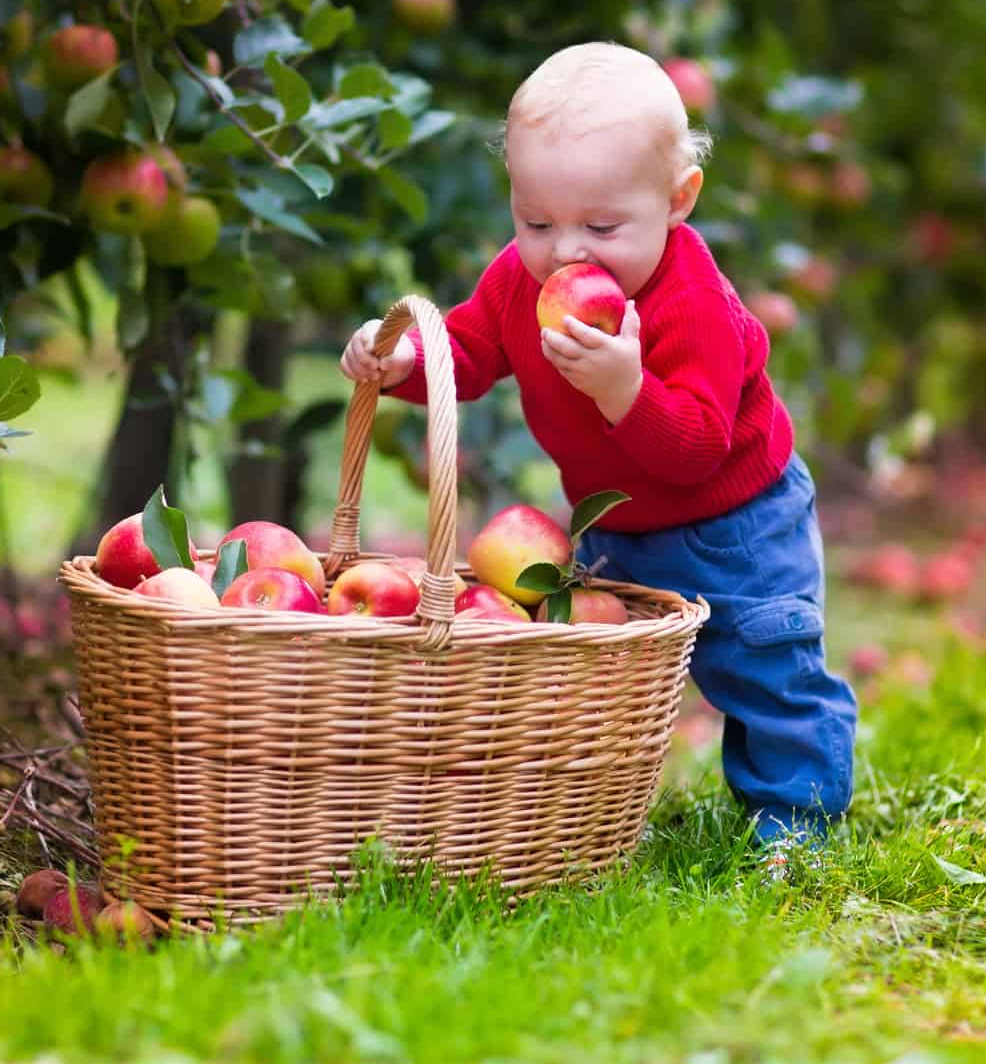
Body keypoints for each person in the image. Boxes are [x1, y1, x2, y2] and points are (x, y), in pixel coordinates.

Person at [339, 42, 857, 867]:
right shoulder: (521, 279)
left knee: (765, 672)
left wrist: (625, 389)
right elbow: (471, 350)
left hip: (736, 523)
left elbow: (694, 448)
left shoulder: (692, 306)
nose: (566, 253)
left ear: (678, 200)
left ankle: (797, 824)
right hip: (620, 521)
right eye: (536, 221)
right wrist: (403, 364)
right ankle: (599, 810)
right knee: (610, 681)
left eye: (602, 227)